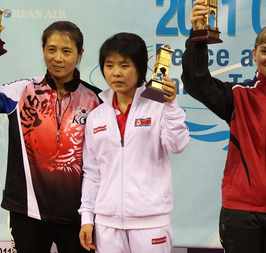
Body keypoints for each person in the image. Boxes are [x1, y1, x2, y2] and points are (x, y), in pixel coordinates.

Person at [181, 0, 266, 253]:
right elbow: (195, 81)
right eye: (265, 51)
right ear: (254, 54)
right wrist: (198, 35)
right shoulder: (237, 96)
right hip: (240, 210)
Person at [0, 19, 102, 252]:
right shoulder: (23, 91)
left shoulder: (96, 100)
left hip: (77, 217)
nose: (58, 58)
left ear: (80, 55)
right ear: (43, 51)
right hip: (27, 212)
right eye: (51, 50)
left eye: (66, 51)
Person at [78, 33, 190, 253]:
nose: (116, 73)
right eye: (109, 65)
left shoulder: (158, 107)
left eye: (124, 65)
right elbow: (92, 172)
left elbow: (177, 145)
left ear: (140, 68)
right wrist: (87, 218)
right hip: (106, 224)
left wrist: (171, 105)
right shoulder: (97, 116)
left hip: (150, 224)